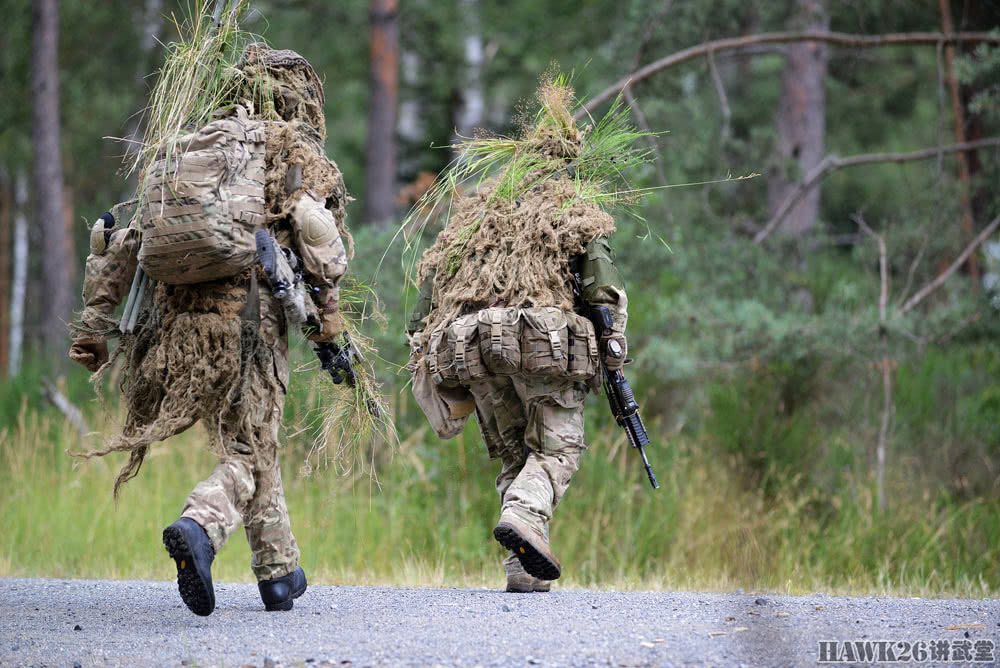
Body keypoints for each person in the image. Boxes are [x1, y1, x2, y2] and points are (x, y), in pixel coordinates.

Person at [68, 45, 350, 615]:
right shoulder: (292, 154)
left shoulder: (183, 151)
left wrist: (94, 328)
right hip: (253, 319)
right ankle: (200, 523)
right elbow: (319, 247)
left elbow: (124, 246)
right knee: (250, 445)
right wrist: (330, 335)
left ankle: (279, 572)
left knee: (249, 436)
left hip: (185, 325)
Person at [406, 80, 630, 592]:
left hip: (474, 350)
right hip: (538, 346)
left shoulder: (477, 213)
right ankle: (526, 516)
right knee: (557, 451)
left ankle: (523, 569)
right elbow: (602, 294)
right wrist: (614, 352)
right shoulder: (572, 208)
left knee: (515, 455)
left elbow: (425, 304)